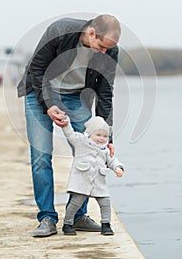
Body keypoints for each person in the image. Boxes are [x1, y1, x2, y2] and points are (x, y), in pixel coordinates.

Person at [17, 14, 121, 237]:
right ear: (92, 32)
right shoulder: (59, 31)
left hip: (75, 97)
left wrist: (107, 138)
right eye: (102, 46)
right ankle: (47, 217)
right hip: (38, 94)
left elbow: (104, 93)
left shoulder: (110, 50)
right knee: (41, 155)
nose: (105, 52)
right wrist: (48, 105)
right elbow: (37, 70)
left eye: (109, 49)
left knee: (89, 150)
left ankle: (78, 216)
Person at [61, 115, 124, 236]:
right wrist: (66, 123)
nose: (101, 138)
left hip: (98, 182)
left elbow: (112, 160)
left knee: (105, 202)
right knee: (75, 204)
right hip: (82, 181)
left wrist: (118, 167)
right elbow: (70, 134)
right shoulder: (80, 142)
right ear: (89, 133)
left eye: (105, 136)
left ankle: (106, 224)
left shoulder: (104, 150)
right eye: (98, 135)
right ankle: (67, 223)